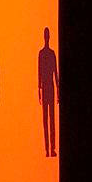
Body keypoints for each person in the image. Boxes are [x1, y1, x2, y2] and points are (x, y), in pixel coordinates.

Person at [37, 27, 59, 158]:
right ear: (48, 37)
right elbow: (42, 73)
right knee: (48, 119)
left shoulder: (47, 54)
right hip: (48, 87)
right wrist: (39, 89)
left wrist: (39, 89)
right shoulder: (49, 54)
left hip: (47, 87)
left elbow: (54, 73)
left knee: (48, 119)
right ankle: (49, 148)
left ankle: (50, 148)